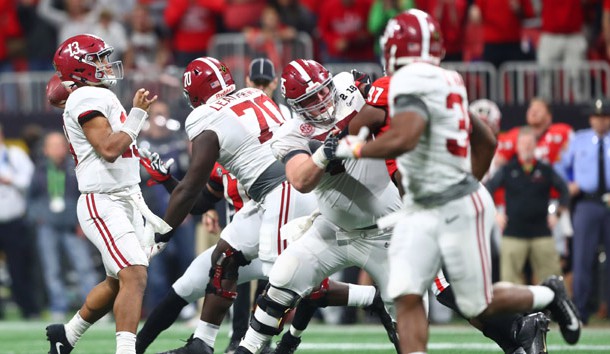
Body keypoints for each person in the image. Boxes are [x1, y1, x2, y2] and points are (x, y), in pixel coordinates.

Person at [334, 9, 582, 353]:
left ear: (393, 48)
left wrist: (356, 146)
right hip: (438, 201)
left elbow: (400, 135)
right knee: (412, 293)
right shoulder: (450, 80)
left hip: (443, 204)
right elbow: (488, 141)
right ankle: (539, 307)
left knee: (466, 300)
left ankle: (543, 301)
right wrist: (470, 186)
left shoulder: (398, 83)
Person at [233, 58, 401, 354]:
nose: (322, 101)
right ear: (296, 105)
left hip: (385, 230)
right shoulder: (290, 133)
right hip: (332, 228)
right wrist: (324, 154)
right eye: (311, 99)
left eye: (323, 91)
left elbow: (384, 102)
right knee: (283, 275)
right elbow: (300, 179)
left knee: (409, 319)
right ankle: (249, 347)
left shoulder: (350, 85)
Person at [45, 33, 159, 354]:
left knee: (116, 281)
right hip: (104, 199)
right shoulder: (85, 98)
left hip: (123, 197)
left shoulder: (93, 95)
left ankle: (66, 335)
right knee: (134, 275)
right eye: (98, 59)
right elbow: (109, 148)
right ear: (80, 67)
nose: (106, 64)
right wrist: (137, 114)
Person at [28, 131, 99, 321]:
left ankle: (93, 307)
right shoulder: (40, 169)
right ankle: (58, 306)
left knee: (84, 266)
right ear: (45, 150)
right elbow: (31, 198)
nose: (58, 149)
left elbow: (85, 195)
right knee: (52, 269)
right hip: (47, 226)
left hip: (72, 226)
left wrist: (83, 222)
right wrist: (38, 217)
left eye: (60, 145)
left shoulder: (75, 168)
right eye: (53, 146)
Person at [485, 127, 569, 285]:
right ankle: (514, 311)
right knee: (509, 283)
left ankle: (554, 310)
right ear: (517, 146)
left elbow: (564, 191)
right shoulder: (508, 169)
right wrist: (495, 214)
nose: (527, 147)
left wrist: (556, 214)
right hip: (513, 233)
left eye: (530, 143)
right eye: (523, 144)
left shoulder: (545, 169)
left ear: (536, 146)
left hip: (541, 232)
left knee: (553, 280)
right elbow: (487, 188)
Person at [555, 98, 610, 324]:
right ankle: (580, 311)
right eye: (597, 116)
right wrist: (569, 184)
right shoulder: (579, 140)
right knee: (583, 258)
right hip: (586, 203)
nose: (600, 120)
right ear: (591, 118)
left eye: (604, 116)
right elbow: (559, 166)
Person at [0, 123, 39, 319]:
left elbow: (30, 181)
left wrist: (10, 180)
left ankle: (29, 309)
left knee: (19, 268)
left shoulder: (14, 154)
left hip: (13, 220)